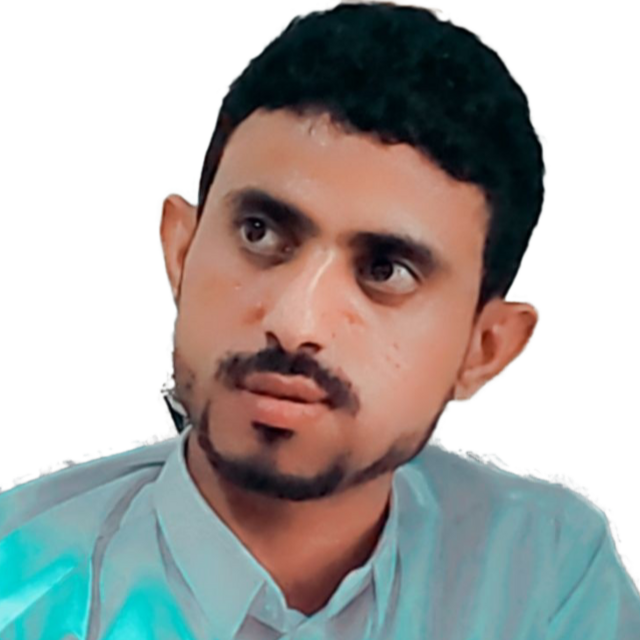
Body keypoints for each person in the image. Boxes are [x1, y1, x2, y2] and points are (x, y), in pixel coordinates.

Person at [1, 1, 638, 638]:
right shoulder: (16, 591)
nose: (295, 321)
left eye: (386, 269)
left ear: (485, 348)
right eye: (258, 232)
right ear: (182, 251)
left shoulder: (548, 578)